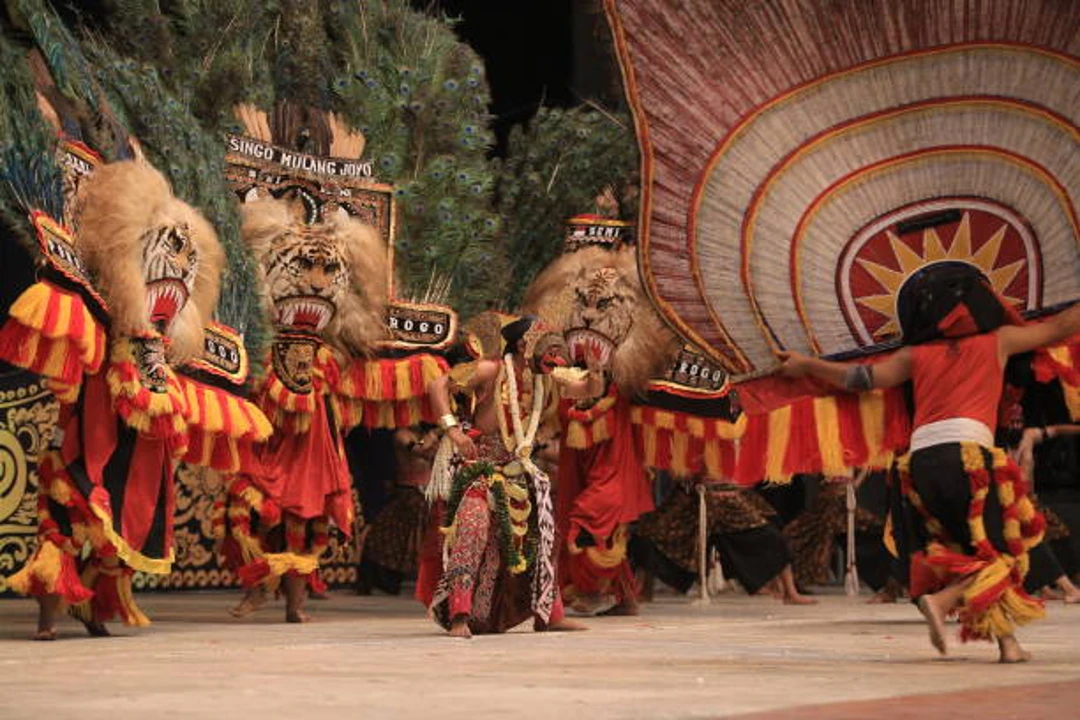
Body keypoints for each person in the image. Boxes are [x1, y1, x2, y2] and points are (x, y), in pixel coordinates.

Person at [779, 262, 1080, 663]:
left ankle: (1008, 645)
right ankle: (941, 604)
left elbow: (861, 379)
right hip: (968, 458)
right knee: (1001, 552)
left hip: (920, 465)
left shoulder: (915, 355)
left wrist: (806, 365)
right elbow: (1060, 328)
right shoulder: (997, 341)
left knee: (970, 549)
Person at [425, 316, 587, 638]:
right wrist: (453, 431)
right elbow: (438, 385)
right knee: (473, 528)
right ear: (525, 346)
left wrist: (600, 371)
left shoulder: (543, 379)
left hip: (519, 470)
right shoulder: (492, 369)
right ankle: (459, 615)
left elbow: (585, 388)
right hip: (480, 466)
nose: (556, 356)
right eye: (549, 348)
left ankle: (551, 614)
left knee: (544, 535)